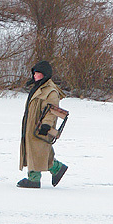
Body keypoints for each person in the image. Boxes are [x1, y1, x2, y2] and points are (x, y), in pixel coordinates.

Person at [18, 60, 68, 188]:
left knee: (38, 150)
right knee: (35, 150)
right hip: (31, 125)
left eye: (38, 73)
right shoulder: (38, 88)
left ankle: (35, 179)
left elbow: (52, 111)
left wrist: (46, 124)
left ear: (45, 74)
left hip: (40, 127)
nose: (35, 75)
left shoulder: (50, 91)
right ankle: (56, 169)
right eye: (34, 73)